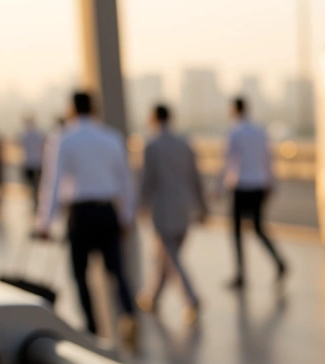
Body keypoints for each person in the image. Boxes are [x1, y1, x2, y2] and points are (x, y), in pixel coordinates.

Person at [36, 91, 138, 350]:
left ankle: (93, 328)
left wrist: (44, 223)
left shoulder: (62, 139)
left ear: (71, 108)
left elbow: (52, 182)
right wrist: (126, 216)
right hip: (107, 211)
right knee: (116, 270)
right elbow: (125, 180)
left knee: (80, 274)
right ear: (94, 108)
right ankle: (128, 315)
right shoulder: (111, 137)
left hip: (80, 214)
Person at [138, 104, 208, 324]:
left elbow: (147, 181)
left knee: (171, 257)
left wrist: (140, 205)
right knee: (166, 256)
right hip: (184, 209)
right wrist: (203, 207)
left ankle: (191, 298)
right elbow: (196, 179)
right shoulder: (185, 144)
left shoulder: (152, 146)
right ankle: (151, 297)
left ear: (152, 118)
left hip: (163, 210)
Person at [224, 96, 286, 289]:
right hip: (259, 186)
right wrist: (271, 184)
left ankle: (241, 274)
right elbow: (269, 159)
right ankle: (279, 262)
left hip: (241, 186)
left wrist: (218, 188)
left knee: (236, 232)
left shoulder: (235, 133)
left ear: (234, 110)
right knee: (258, 229)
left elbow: (228, 163)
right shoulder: (260, 131)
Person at [20, 117, 45, 209]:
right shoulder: (39, 133)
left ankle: (35, 200)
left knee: (32, 184)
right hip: (38, 162)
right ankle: (38, 199)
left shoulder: (24, 135)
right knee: (38, 184)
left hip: (29, 163)